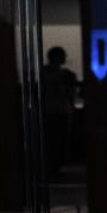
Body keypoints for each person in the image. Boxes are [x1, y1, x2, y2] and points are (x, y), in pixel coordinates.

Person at [42, 46, 78, 177]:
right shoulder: (66, 75)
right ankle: (54, 167)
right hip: (60, 111)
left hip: (50, 110)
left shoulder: (43, 73)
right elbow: (70, 94)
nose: (65, 58)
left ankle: (52, 167)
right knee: (59, 141)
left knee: (53, 141)